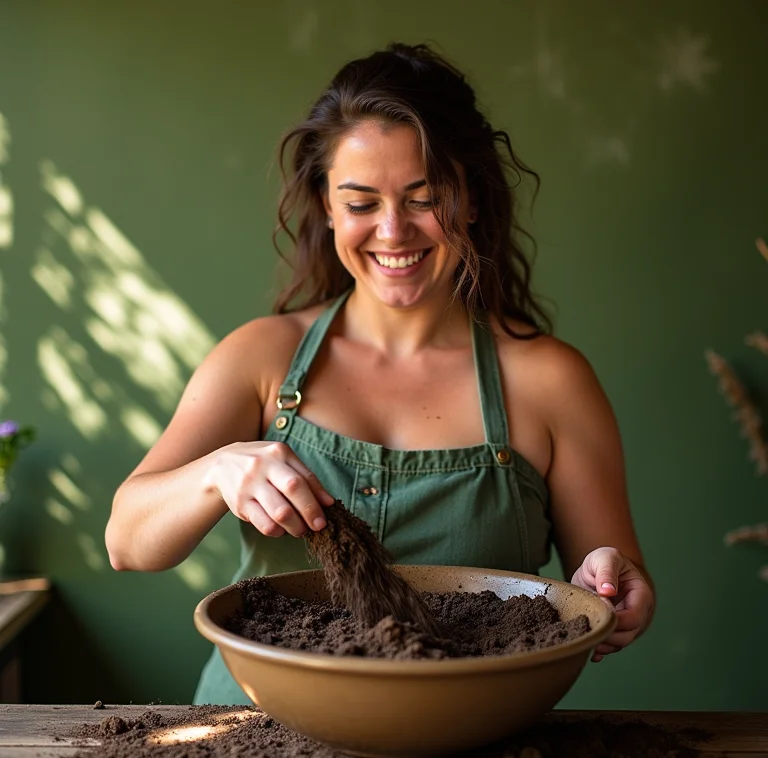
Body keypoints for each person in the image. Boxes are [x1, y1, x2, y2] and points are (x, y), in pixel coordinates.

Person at [106, 42, 656, 705]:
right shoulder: (261, 358)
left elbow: (610, 578)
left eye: (424, 198)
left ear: (472, 199)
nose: (393, 231)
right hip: (251, 731)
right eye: (361, 203)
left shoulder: (550, 381)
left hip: (469, 733)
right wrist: (217, 471)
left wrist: (611, 583)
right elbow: (128, 542)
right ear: (327, 205)